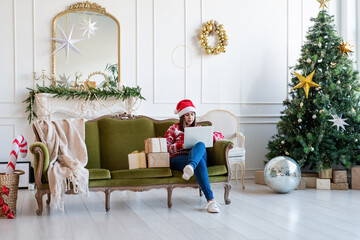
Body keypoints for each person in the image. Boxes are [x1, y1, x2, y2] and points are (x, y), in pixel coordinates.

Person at [165, 99, 224, 213]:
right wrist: (182, 145)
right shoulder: (173, 128)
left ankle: (191, 166)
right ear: (182, 116)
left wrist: (208, 138)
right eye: (187, 115)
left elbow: (220, 135)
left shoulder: (199, 129)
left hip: (192, 159)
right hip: (178, 159)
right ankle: (211, 201)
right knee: (200, 162)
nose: (190, 117)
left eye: (192, 114)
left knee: (201, 144)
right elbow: (167, 148)